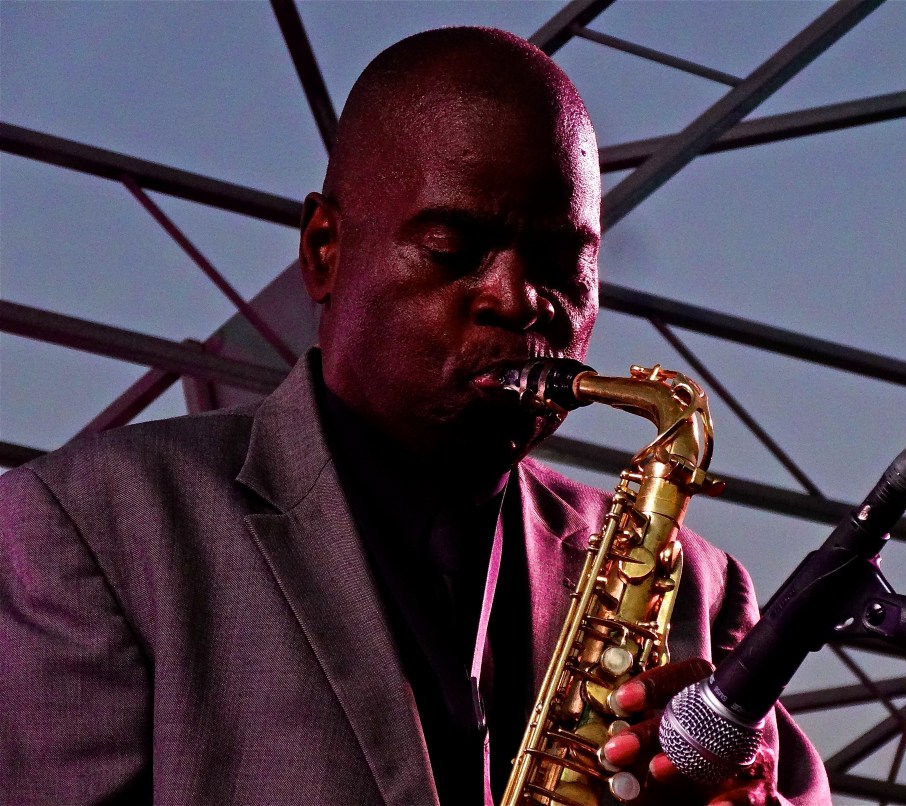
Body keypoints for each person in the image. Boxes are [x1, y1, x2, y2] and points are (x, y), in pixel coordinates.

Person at [0, 27, 829, 806]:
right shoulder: (93, 528)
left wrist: (745, 784)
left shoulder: (701, 589)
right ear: (324, 249)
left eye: (560, 263)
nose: (516, 299)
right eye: (452, 250)